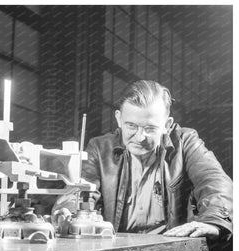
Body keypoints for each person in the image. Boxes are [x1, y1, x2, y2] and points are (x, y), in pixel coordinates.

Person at [55, 80, 232, 240]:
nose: (140, 137)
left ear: (167, 125)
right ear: (118, 118)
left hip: (173, 250)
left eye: (150, 128)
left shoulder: (185, 142)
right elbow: (78, 190)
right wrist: (66, 213)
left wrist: (213, 220)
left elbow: (214, 180)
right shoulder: (100, 148)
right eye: (131, 126)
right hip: (117, 248)